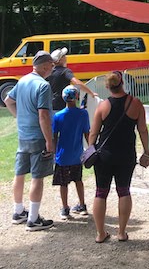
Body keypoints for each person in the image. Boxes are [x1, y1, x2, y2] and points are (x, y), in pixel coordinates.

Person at [88, 70, 149, 243]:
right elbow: (143, 130)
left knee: (101, 192)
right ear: (123, 83)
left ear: (107, 87)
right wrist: (146, 151)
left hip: (104, 155)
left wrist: (89, 150)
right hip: (126, 154)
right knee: (124, 191)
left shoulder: (103, 106)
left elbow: (93, 133)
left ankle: (100, 233)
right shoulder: (136, 104)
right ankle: (122, 232)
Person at [4, 51, 55, 231]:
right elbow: (43, 115)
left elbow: (8, 100)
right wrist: (49, 140)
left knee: (19, 174)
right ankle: (33, 219)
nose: (53, 68)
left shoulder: (23, 80)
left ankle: (18, 212)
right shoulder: (43, 86)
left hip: (23, 135)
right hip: (38, 136)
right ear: (44, 66)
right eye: (51, 65)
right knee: (37, 177)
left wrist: (20, 118)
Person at [52, 85, 90, 219]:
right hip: (77, 155)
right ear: (77, 97)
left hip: (62, 156)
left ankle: (65, 208)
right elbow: (87, 133)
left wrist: (53, 151)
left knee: (63, 183)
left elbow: (54, 136)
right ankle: (82, 205)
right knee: (78, 180)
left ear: (63, 98)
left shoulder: (58, 116)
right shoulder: (83, 114)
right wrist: (91, 148)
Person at [47, 47, 97, 112]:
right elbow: (76, 82)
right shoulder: (65, 71)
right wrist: (91, 93)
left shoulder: (49, 72)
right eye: (64, 56)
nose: (66, 57)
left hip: (51, 105)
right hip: (63, 105)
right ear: (60, 60)